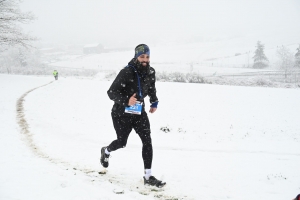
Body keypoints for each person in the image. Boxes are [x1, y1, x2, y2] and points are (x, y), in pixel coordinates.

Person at [100, 44, 165, 188]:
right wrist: (126, 100)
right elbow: (111, 92)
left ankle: (148, 177)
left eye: (147, 57)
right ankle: (106, 151)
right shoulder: (126, 72)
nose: (145, 60)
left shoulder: (151, 72)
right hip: (121, 113)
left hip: (139, 113)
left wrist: (154, 102)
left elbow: (152, 87)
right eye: (142, 57)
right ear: (136, 57)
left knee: (147, 141)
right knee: (122, 142)